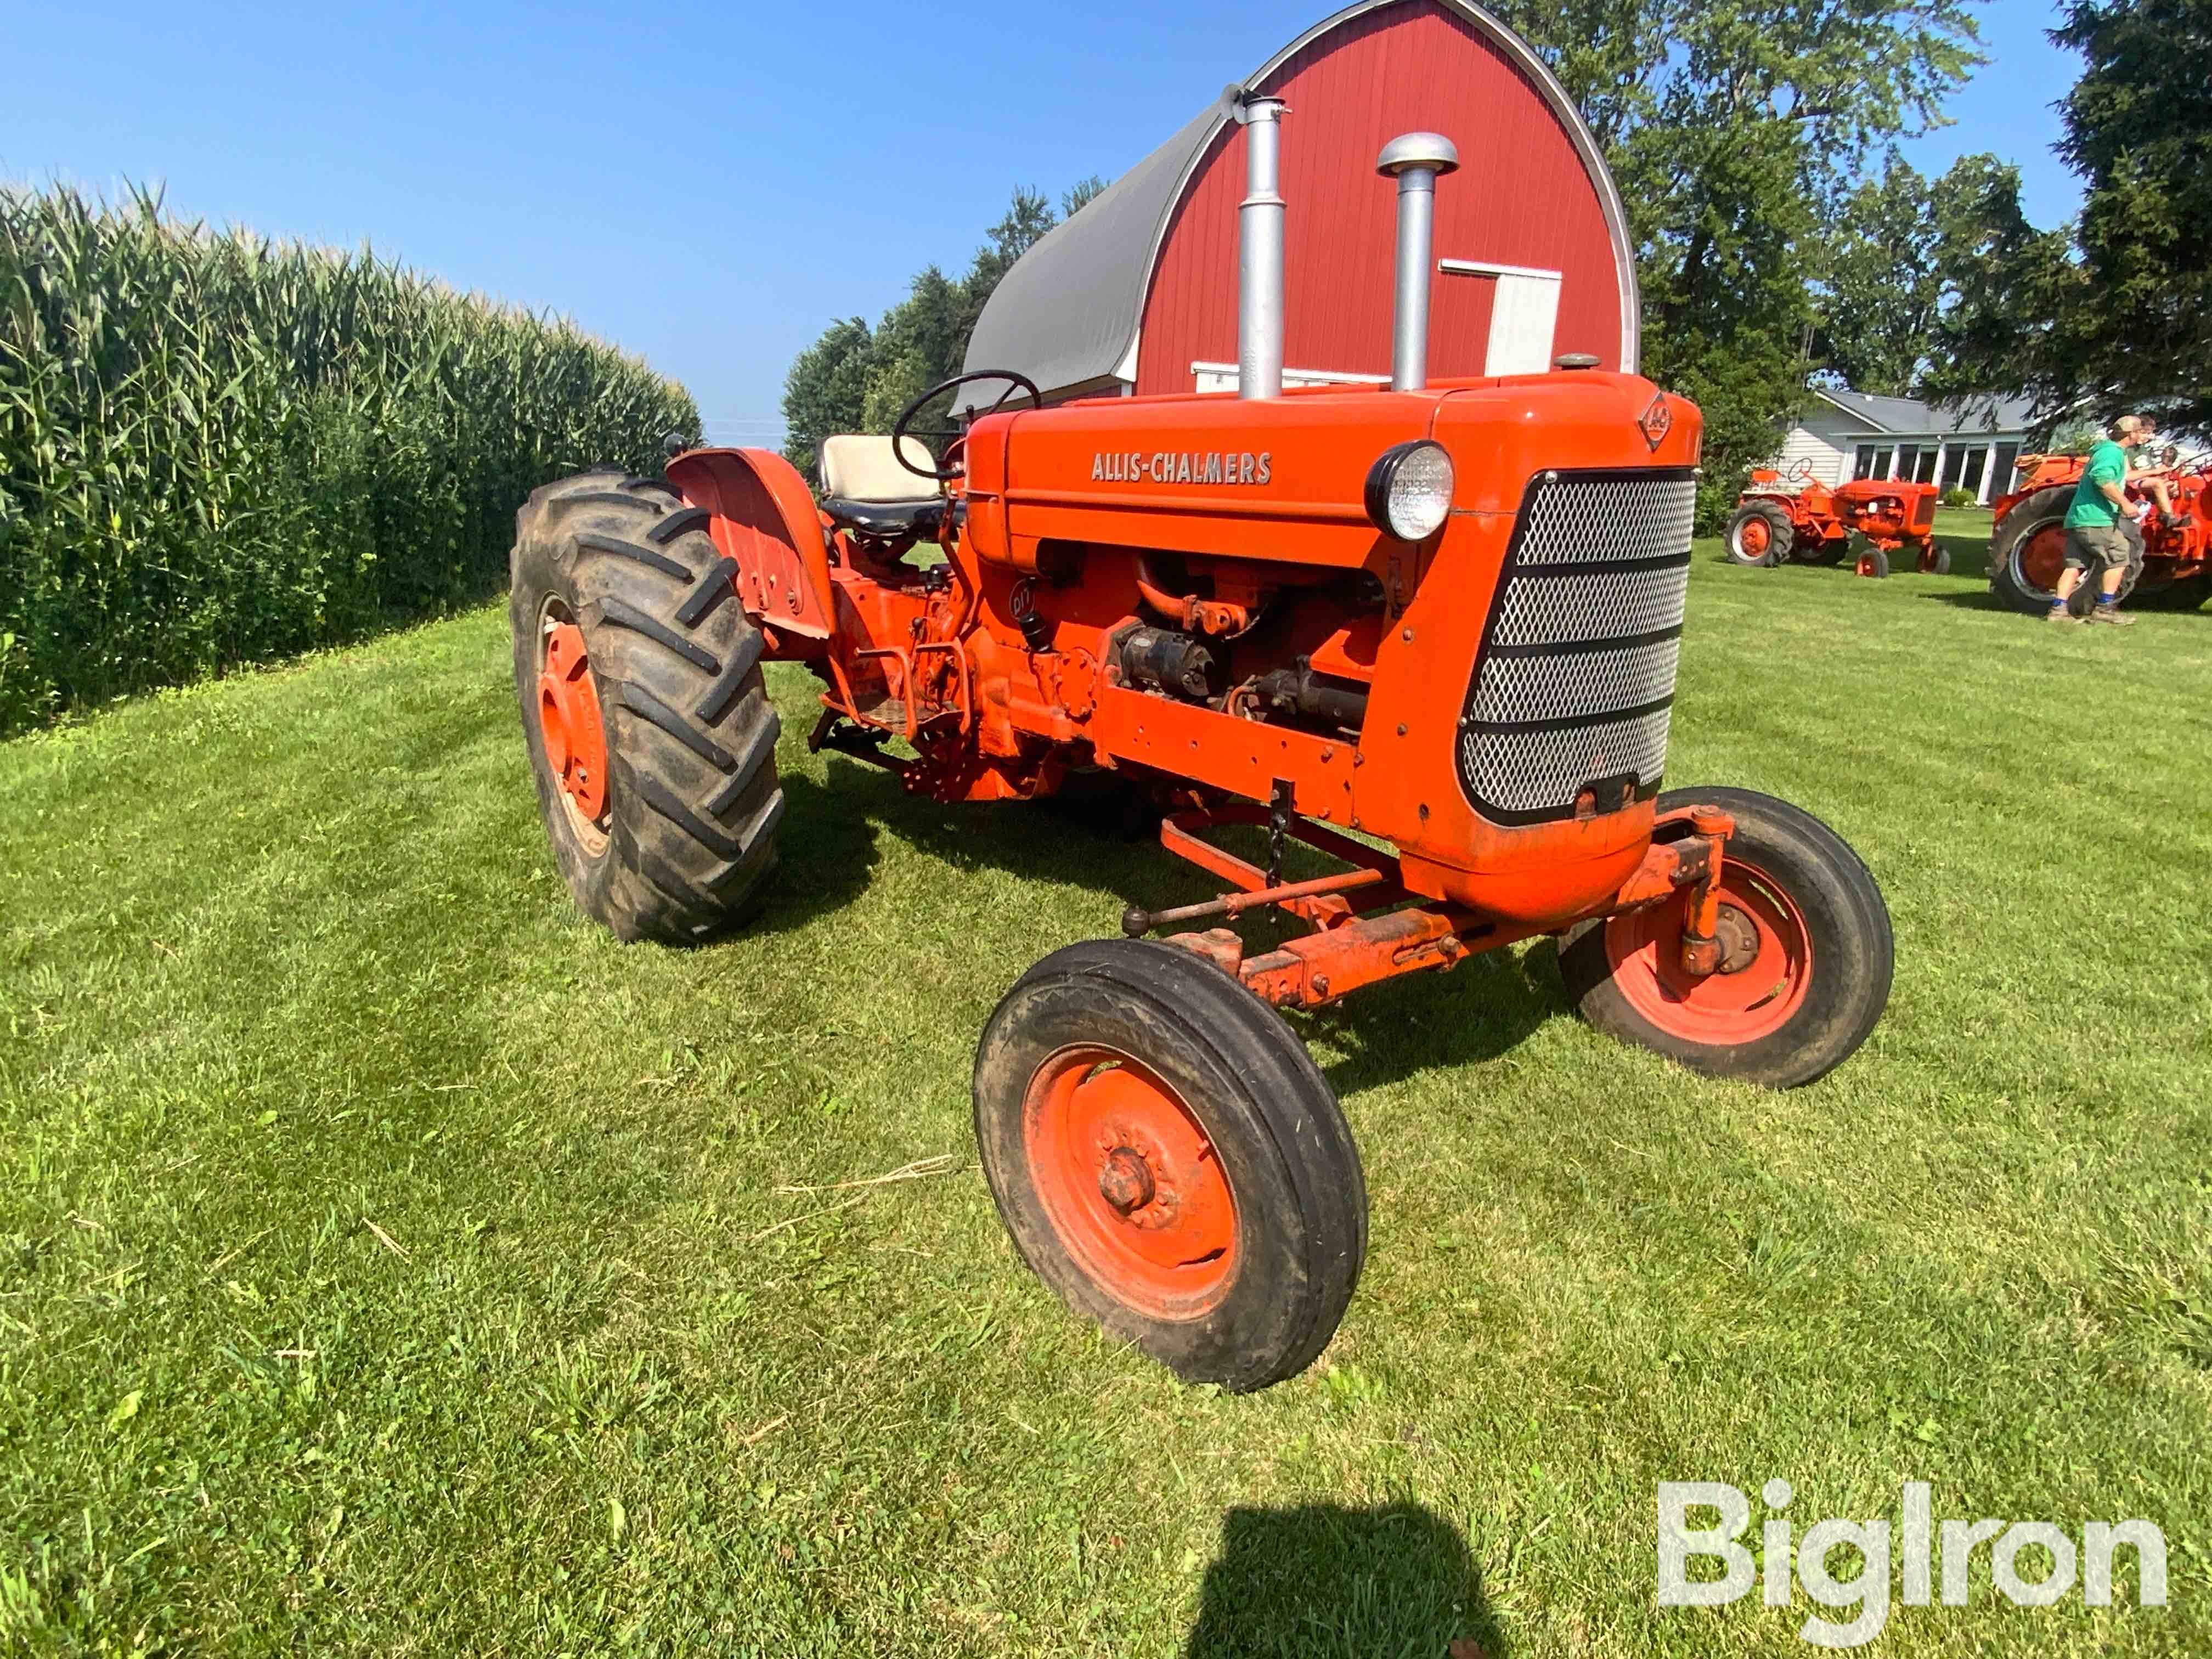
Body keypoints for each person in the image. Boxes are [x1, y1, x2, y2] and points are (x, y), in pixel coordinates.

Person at [2050, 416, 2149, 627]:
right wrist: (2125, 504)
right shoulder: (2112, 453)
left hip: (2080, 518)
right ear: (2130, 434)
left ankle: (2058, 610)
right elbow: (2102, 480)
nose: (2142, 434)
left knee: (2075, 565)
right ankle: (2104, 609)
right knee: (2120, 555)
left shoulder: (2105, 451)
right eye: (2140, 430)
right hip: (2097, 519)